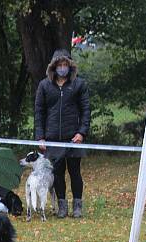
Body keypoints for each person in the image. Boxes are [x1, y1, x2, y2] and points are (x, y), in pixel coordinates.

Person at [34, 48, 91, 218]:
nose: (62, 68)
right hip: (52, 139)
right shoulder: (44, 85)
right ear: (53, 67)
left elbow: (86, 110)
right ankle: (62, 206)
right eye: (59, 65)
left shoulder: (79, 84)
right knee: (57, 174)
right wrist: (40, 136)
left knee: (75, 173)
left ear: (70, 66)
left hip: (73, 138)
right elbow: (39, 112)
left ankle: (77, 206)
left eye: (65, 64)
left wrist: (81, 133)